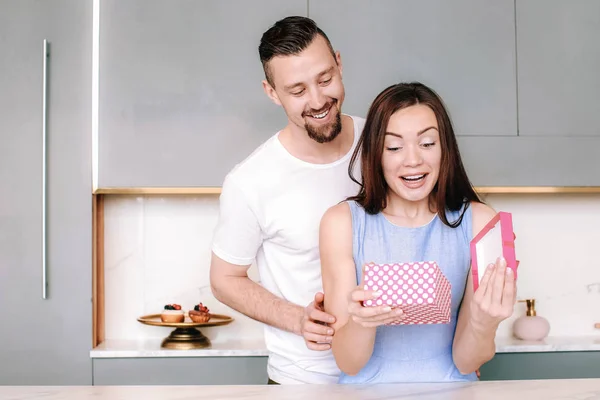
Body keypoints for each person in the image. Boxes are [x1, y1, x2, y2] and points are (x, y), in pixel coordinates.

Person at [319, 82, 517, 383]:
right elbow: (349, 363)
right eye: (394, 147)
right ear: (376, 153)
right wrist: (361, 322)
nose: (413, 160)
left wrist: (484, 321)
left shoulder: (479, 222)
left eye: (427, 143)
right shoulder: (341, 223)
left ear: (444, 148)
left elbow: (466, 362)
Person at [209, 16, 366, 385]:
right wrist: (297, 318)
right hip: (304, 381)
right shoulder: (250, 182)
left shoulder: (386, 143)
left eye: (325, 79)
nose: (318, 100)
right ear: (272, 92)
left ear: (339, 63)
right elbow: (224, 279)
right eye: (296, 91)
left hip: (392, 376)